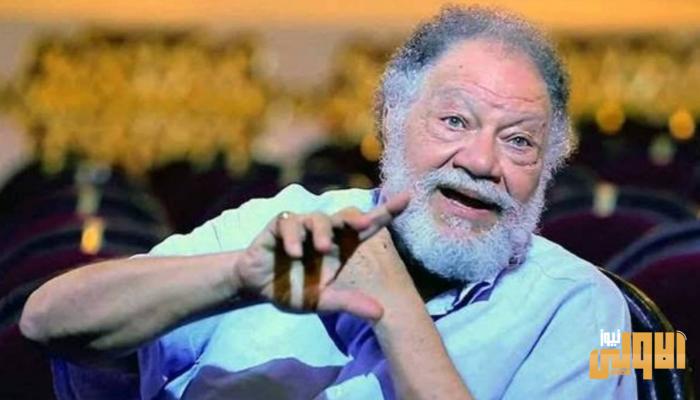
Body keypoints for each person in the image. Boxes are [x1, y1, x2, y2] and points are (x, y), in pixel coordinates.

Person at [20, 6, 636, 399]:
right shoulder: (283, 223)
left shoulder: (584, 309)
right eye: (455, 120)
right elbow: (45, 323)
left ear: (549, 166)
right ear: (391, 120)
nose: (481, 161)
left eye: (519, 141)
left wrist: (394, 307)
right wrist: (235, 278)